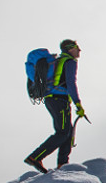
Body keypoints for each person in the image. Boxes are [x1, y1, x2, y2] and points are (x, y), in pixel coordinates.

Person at [24, 39, 87, 172]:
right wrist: (78, 104)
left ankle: (63, 165)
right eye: (77, 47)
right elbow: (71, 83)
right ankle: (36, 157)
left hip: (52, 99)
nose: (79, 50)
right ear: (70, 48)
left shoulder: (56, 61)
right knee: (63, 132)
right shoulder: (69, 62)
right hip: (60, 99)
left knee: (67, 132)